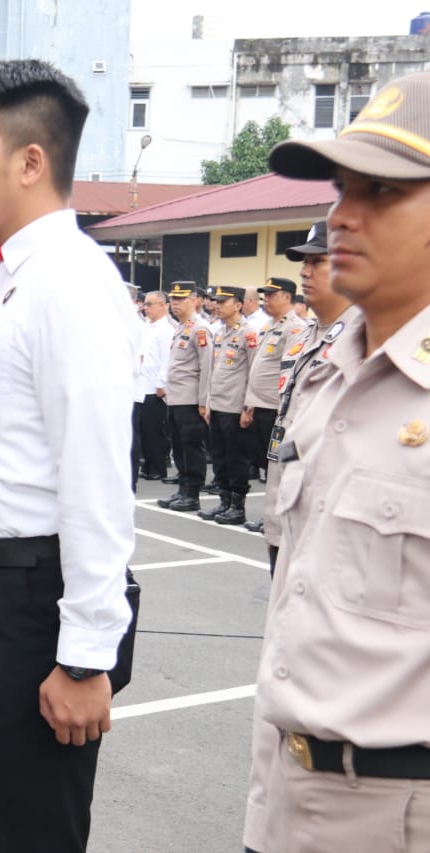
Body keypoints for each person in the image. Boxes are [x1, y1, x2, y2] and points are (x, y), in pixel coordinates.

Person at [0, 60, 136, 853]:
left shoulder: (70, 283)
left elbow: (96, 476)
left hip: (30, 603)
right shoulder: (7, 277)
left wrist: (85, 656)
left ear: (31, 161)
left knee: (32, 835)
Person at [243, 69, 430, 853]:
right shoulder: (334, 371)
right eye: (343, 186)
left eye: (383, 192)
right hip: (287, 783)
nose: (341, 216)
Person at [254, 222, 358, 567]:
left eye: (318, 262)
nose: (304, 271)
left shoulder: (364, 339)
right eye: (304, 263)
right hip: (284, 493)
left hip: (324, 510)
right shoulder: (305, 335)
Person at [239, 277, 307, 533]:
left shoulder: (295, 328)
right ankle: (270, 515)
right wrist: (249, 404)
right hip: (260, 405)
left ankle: (276, 518)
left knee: (277, 466)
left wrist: (282, 409)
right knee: (266, 464)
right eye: (264, 295)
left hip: (276, 409)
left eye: (271, 294)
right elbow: (258, 367)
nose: (265, 299)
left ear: (287, 297)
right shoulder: (269, 325)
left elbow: (288, 372)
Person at [199, 286, 257, 524]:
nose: (218, 306)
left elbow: (254, 370)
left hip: (235, 407)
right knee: (219, 457)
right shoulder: (219, 332)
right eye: (217, 302)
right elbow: (215, 371)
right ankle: (224, 501)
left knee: (236, 458)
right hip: (219, 404)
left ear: (238, 305)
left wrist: (248, 406)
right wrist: (209, 403)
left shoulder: (248, 333)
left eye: (224, 302)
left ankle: (237, 506)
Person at [156, 282, 213, 512]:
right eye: (173, 299)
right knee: (178, 447)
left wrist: (203, 402)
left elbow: (207, 367)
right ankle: (182, 488)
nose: (175, 304)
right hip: (176, 398)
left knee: (191, 446)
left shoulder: (200, 329)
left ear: (194, 301)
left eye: (181, 299)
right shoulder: (181, 328)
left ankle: (192, 493)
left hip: (190, 400)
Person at [135, 290, 173, 482]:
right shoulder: (147, 327)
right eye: (145, 304)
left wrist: (161, 383)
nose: (146, 307)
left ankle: (158, 467)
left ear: (163, 306)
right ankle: (148, 466)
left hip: (154, 387)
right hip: (142, 386)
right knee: (144, 430)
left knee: (154, 431)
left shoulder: (166, 330)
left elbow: (166, 359)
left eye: (150, 304)